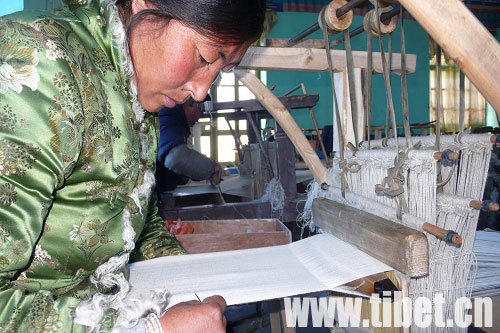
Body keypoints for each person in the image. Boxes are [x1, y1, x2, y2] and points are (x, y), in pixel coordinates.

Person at [0, 0, 266, 332]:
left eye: (219, 71)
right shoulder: (37, 65)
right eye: (205, 58)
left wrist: (191, 281)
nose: (200, 91)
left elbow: (138, 226)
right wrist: (150, 329)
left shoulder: (136, 97)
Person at [156, 96, 222, 197]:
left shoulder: (173, 116)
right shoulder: (171, 115)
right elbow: (175, 158)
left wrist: (187, 174)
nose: (199, 117)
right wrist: (212, 168)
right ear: (192, 102)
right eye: (201, 110)